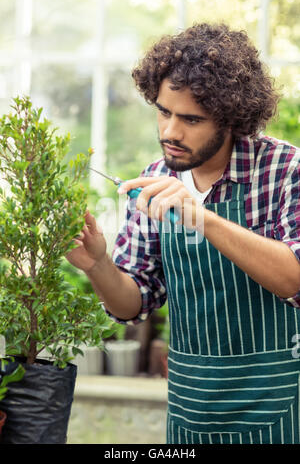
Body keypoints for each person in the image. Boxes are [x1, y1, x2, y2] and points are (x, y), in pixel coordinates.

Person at [66, 23, 300, 444]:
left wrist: (202, 215)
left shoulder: (285, 170)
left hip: (279, 404)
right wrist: (98, 264)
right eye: (163, 111)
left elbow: (294, 277)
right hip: (192, 407)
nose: (170, 132)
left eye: (191, 119)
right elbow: (131, 303)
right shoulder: (154, 180)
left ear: (231, 118)